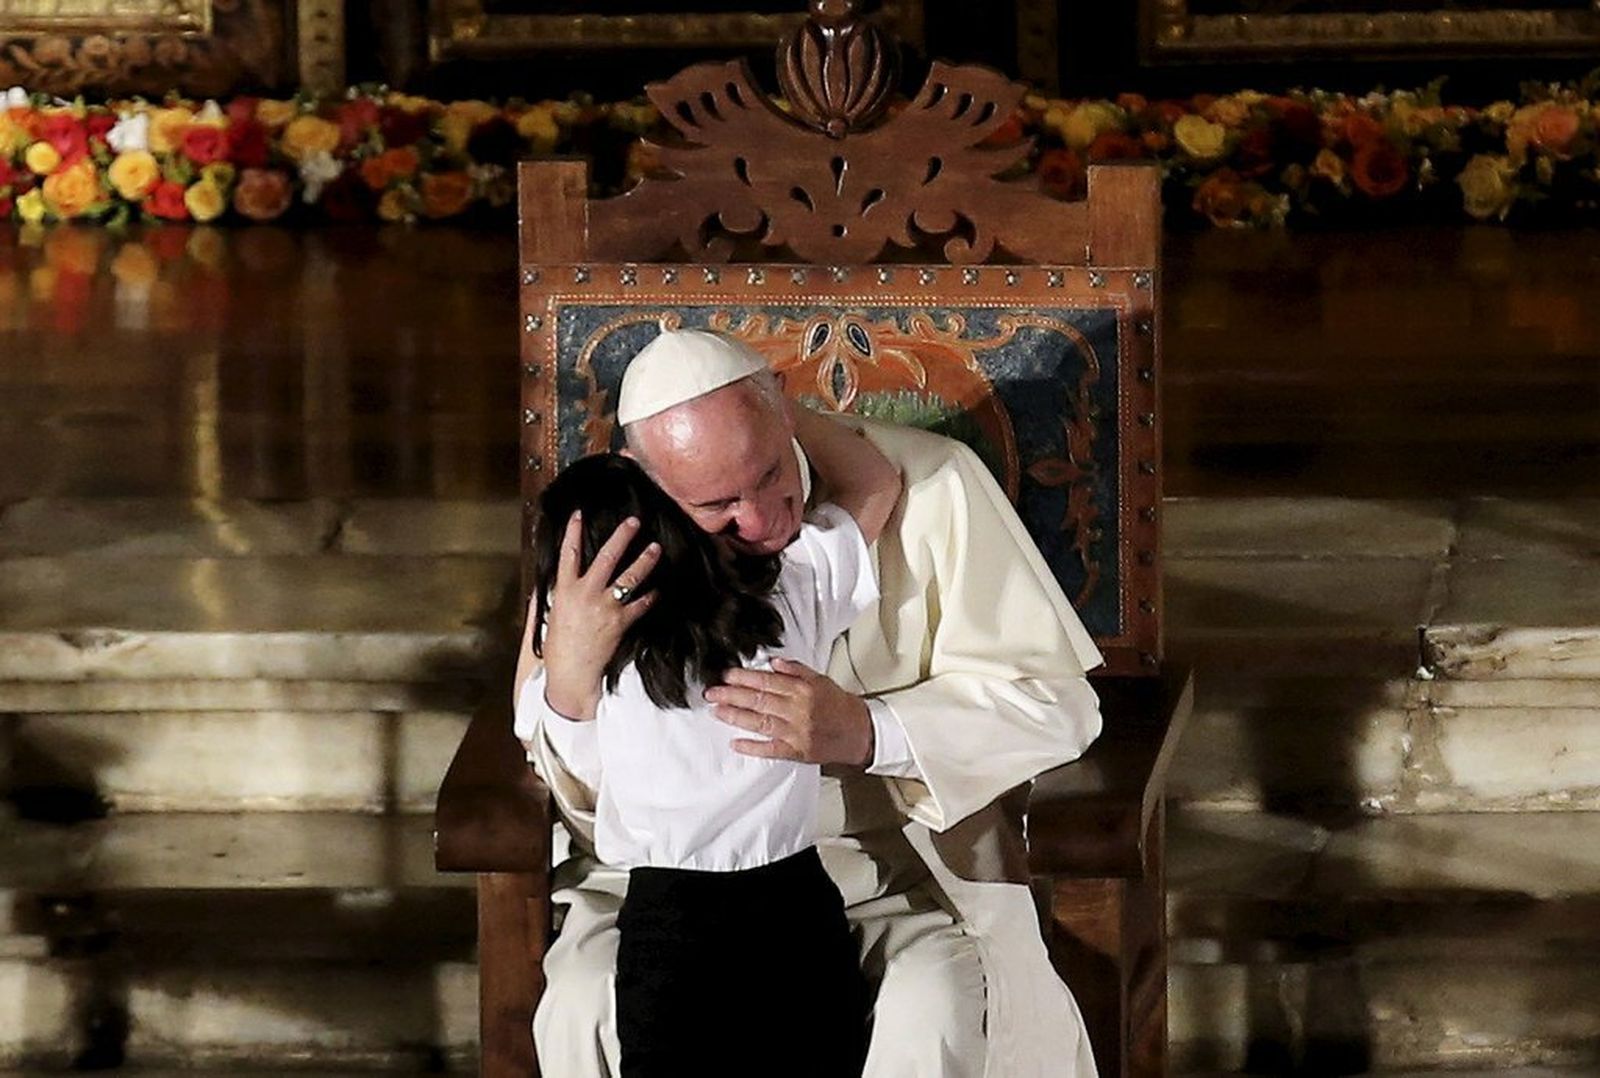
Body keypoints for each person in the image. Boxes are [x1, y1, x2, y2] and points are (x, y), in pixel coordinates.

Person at [515, 328, 1105, 1077]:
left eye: (769, 474)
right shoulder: (614, 543)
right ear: (650, 479)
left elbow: (1060, 708)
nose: (763, 523)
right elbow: (566, 770)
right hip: (667, 887)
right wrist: (567, 671)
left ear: (783, 414)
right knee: (578, 1000)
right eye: (719, 504)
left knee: (934, 1010)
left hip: (906, 870)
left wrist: (870, 731)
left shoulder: (935, 486)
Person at [522, 422, 899, 1076]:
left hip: (669, 927)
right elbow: (873, 482)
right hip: (797, 911)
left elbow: (538, 726)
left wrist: (561, 637)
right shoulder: (786, 594)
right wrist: (770, 410)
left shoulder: (586, 683)